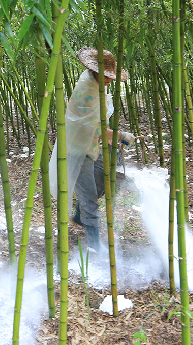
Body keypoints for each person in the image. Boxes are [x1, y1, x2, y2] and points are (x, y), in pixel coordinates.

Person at [49, 47, 135, 253]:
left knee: (98, 184)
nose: (109, 80)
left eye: (111, 76)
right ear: (94, 70)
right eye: (106, 75)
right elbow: (95, 128)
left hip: (92, 146)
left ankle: (80, 216)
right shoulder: (88, 90)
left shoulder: (96, 85)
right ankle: (95, 246)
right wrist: (121, 136)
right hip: (78, 151)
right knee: (89, 198)